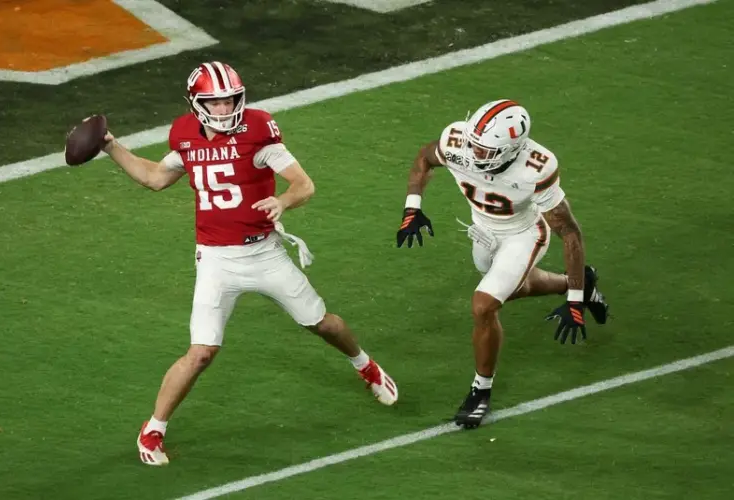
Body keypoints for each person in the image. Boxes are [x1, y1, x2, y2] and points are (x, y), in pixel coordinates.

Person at [100, 61, 398, 465]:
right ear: (196, 104)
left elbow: (303, 184)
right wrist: (111, 147)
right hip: (216, 259)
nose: (224, 109)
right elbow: (155, 177)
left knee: (322, 323)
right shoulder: (185, 135)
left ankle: (366, 366)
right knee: (201, 352)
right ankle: (153, 429)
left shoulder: (257, 130)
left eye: (230, 100)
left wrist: (283, 201)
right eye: (215, 103)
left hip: (264, 252)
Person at [396, 99, 608, 428]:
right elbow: (425, 157)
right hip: (482, 232)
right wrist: (413, 207)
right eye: (473, 143)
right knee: (508, 289)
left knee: (483, 305)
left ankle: (480, 391)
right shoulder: (457, 141)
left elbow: (569, 233)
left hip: (524, 235)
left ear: (512, 150)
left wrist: (574, 303)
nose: (474, 152)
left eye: (484, 149)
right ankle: (579, 282)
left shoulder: (535, 168)